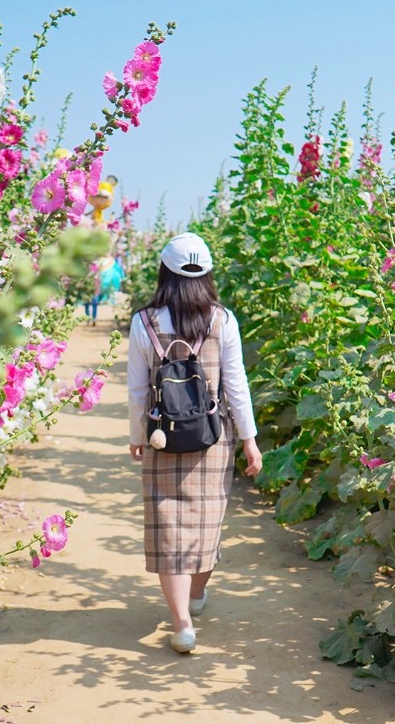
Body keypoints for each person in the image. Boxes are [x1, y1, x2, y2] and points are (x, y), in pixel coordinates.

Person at [127, 232, 262, 654]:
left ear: (164, 274)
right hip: (211, 437)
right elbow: (236, 385)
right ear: (207, 275)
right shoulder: (223, 320)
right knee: (206, 523)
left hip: (161, 435)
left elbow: (137, 389)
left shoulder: (144, 322)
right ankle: (196, 597)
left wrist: (136, 436)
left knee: (167, 524)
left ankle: (182, 623)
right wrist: (249, 440)